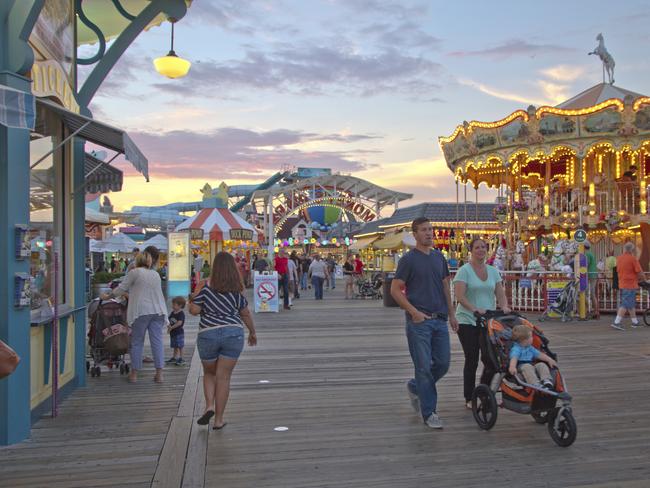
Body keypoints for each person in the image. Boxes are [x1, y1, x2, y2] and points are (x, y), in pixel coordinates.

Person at [390, 217, 458, 429]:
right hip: (419, 321)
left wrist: (452, 313)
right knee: (423, 367)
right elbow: (395, 289)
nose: (429, 233)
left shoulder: (439, 258)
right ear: (415, 234)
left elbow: (446, 287)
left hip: (439, 319)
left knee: (443, 363)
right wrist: (413, 312)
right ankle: (430, 412)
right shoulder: (408, 260)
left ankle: (415, 387)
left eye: (431, 229)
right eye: (424, 230)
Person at [189, 252, 257, 430]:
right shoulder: (237, 288)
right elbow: (245, 313)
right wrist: (252, 332)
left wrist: (194, 299)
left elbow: (194, 310)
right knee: (224, 377)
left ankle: (209, 405)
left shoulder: (204, 286)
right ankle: (218, 420)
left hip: (208, 333)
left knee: (210, 373)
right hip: (232, 333)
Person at [453, 238, 510, 409]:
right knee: (472, 359)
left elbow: (500, 293)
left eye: (483, 247)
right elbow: (460, 296)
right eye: (477, 247)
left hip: (488, 320)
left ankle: (485, 391)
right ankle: (469, 397)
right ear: (471, 250)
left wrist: (505, 306)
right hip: (467, 320)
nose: (480, 250)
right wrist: (474, 308)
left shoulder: (493, 271)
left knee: (491, 359)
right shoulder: (464, 271)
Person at [101, 246, 167, 384]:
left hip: (141, 311)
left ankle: (134, 374)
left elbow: (121, 289)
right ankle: (159, 374)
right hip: (158, 310)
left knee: (137, 342)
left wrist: (107, 296)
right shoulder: (155, 274)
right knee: (157, 341)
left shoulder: (134, 272)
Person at [508, 324, 557, 388]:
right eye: (531, 336)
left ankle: (546, 380)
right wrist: (512, 367)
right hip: (520, 366)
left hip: (531, 364)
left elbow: (539, 354)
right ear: (525, 340)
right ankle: (534, 383)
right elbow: (514, 358)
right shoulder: (516, 349)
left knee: (541, 364)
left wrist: (549, 359)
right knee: (527, 367)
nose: (532, 338)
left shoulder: (530, 348)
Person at [612, 242, 645, 330]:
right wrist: (644, 280)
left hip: (622, 283)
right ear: (632, 250)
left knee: (630, 304)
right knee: (626, 303)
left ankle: (635, 322)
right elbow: (640, 272)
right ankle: (617, 322)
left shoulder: (619, 258)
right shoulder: (633, 259)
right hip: (630, 284)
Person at [167, 296, 186, 365]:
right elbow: (168, 320)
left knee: (180, 346)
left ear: (180, 305)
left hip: (179, 333)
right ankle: (174, 357)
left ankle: (181, 358)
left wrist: (172, 327)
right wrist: (169, 326)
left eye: (174, 304)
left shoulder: (181, 313)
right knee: (175, 346)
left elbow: (179, 322)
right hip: (173, 333)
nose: (172, 306)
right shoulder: (172, 313)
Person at [584, 241, 598, 317]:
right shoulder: (591, 253)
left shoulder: (586, 254)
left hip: (589, 274)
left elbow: (586, 264)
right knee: (592, 294)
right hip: (593, 274)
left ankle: (586, 310)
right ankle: (595, 311)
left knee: (585, 293)